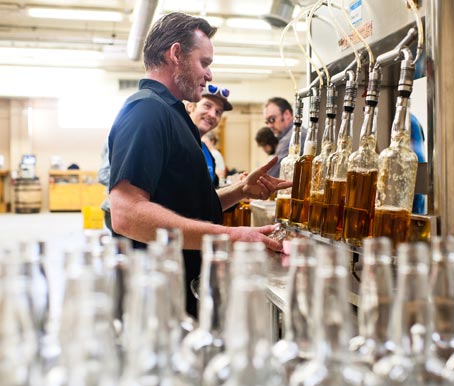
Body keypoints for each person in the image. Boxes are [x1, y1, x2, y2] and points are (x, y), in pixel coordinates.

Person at [107, 12, 292, 317]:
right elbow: (126, 213)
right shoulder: (146, 111)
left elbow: (184, 205)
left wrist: (240, 190)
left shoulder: (172, 115)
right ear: (176, 54)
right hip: (158, 299)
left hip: (182, 289)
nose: (209, 75)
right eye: (204, 63)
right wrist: (230, 236)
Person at [185, 84, 231, 186]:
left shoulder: (207, 153)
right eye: (207, 106)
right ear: (190, 106)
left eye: (218, 112)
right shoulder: (172, 141)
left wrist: (240, 188)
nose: (212, 115)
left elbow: (211, 196)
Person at [263, 97, 306, 178]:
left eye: (272, 119)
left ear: (287, 114)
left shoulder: (291, 139)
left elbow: (270, 176)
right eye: (266, 122)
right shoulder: (292, 135)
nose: (269, 125)